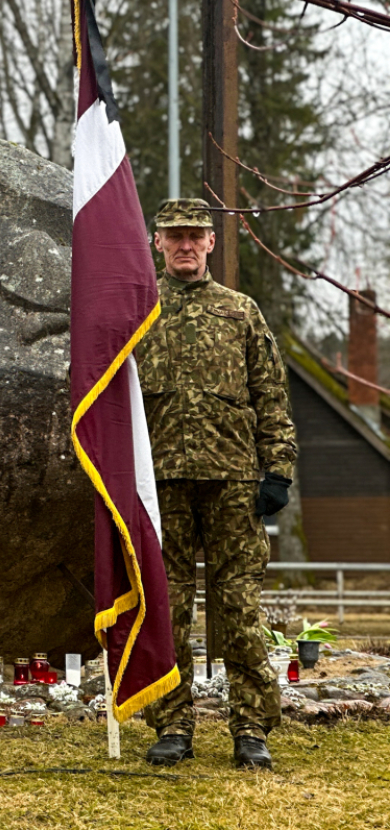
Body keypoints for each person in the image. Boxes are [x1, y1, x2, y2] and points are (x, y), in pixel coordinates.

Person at [135, 199, 297, 770]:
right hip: (161, 484)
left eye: (195, 236)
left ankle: (251, 729)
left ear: (210, 242)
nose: (185, 245)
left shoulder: (241, 311)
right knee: (167, 609)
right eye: (174, 236)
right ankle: (172, 724)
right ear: (157, 242)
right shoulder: (137, 310)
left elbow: (271, 395)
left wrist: (278, 469)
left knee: (239, 610)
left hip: (233, 482)